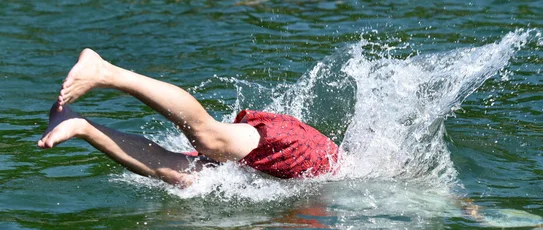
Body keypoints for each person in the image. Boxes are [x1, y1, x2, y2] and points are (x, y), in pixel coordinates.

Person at [39, 49, 339, 187]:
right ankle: (105, 71)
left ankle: (79, 125)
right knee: (209, 138)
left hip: (277, 172)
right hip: (307, 154)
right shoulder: (355, 168)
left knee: (177, 176)